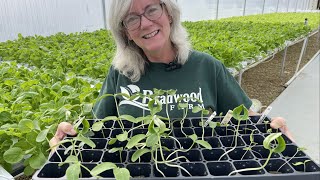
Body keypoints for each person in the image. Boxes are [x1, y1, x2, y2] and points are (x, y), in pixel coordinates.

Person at [50, 0, 293, 148]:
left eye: (152, 9)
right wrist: (67, 141)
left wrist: (273, 131)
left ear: (168, 13)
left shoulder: (207, 66)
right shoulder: (120, 75)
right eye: (131, 19)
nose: (145, 23)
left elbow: (250, 121)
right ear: (125, 32)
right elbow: (95, 134)